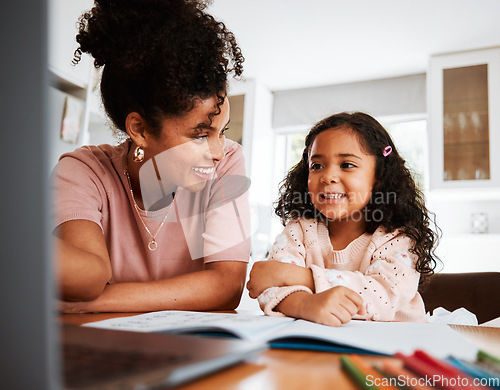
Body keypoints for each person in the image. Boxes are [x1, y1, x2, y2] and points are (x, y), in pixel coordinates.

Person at [54, 0, 251, 313]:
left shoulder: (227, 161)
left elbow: (227, 285)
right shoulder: (84, 171)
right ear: (140, 129)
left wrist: (99, 301)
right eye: (200, 135)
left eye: (222, 131)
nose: (217, 152)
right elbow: (89, 274)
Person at [247, 112, 439, 326]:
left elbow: (381, 297)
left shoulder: (399, 238)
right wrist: (305, 305)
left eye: (347, 164)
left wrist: (300, 277)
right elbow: (267, 284)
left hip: (394, 347)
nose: (327, 176)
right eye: (317, 166)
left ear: (379, 176)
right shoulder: (300, 229)